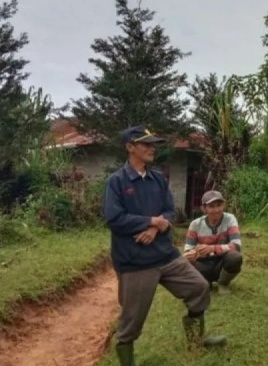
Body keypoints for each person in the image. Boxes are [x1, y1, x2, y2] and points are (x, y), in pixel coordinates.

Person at [102, 126, 226, 366]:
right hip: (135, 261)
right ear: (130, 147)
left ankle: (196, 341)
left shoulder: (158, 177)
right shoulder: (116, 182)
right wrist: (150, 221)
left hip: (165, 254)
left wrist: (155, 227)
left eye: (153, 144)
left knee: (198, 287)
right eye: (145, 144)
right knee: (131, 321)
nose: (152, 149)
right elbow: (113, 218)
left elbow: (169, 212)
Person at [183, 190, 243, 295]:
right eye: (211, 206)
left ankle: (223, 283)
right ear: (204, 208)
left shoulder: (230, 219)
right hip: (203, 262)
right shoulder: (195, 224)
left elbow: (236, 246)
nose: (216, 210)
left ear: (224, 205)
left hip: (222, 261)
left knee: (235, 257)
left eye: (219, 205)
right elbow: (187, 250)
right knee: (186, 261)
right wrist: (193, 253)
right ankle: (204, 282)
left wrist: (213, 248)